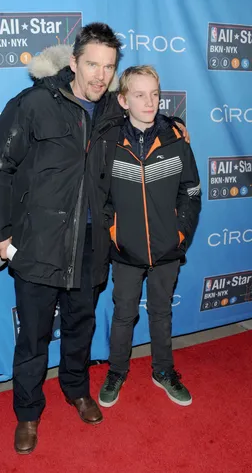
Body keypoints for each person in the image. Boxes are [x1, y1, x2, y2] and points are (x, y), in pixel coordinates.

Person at [0, 23, 189, 454]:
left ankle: (77, 390)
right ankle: (29, 413)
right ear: (73, 61)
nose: (99, 75)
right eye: (92, 64)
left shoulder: (112, 110)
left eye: (108, 67)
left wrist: (175, 130)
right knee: (33, 336)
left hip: (93, 244)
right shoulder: (34, 103)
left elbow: (147, 117)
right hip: (38, 244)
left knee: (80, 326)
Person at [97, 65, 201, 409]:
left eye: (154, 94)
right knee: (123, 314)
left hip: (167, 250)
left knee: (161, 313)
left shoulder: (174, 138)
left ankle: (164, 371)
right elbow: (101, 198)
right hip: (125, 251)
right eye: (140, 95)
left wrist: (180, 233)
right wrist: (115, 233)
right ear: (123, 100)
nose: (149, 102)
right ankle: (116, 371)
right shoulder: (110, 143)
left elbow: (191, 191)